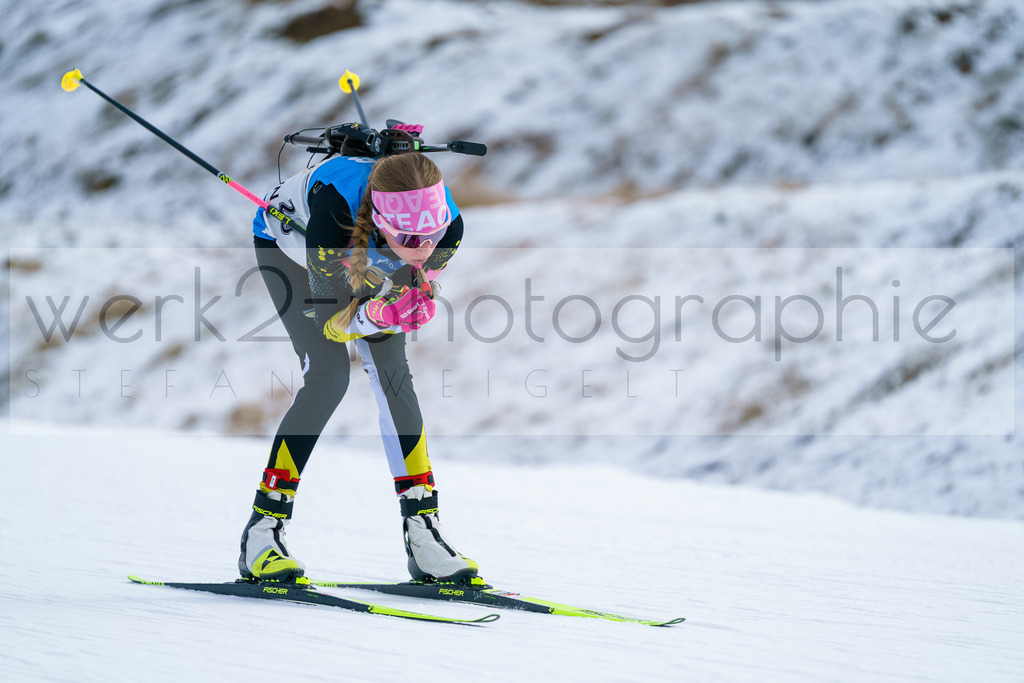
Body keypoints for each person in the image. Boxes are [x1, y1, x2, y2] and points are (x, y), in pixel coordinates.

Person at [238, 139, 479, 585]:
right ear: (382, 221)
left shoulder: (449, 228)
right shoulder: (333, 216)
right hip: (292, 247)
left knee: (394, 376)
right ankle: (262, 533)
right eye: (410, 238)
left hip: (369, 254)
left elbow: (418, 267)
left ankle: (423, 531)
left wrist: (416, 294)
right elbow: (333, 323)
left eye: (433, 235)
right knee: (329, 376)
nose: (425, 248)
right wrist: (380, 312)